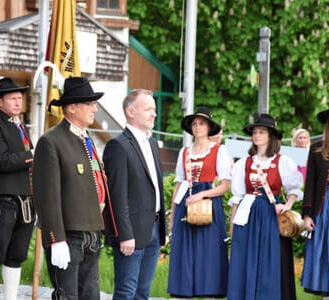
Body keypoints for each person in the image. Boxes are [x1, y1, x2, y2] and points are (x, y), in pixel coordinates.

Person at [33, 77, 117, 300]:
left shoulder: (85, 138)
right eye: (90, 104)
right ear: (71, 108)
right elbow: (46, 195)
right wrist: (55, 238)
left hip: (90, 231)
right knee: (67, 296)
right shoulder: (51, 141)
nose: (95, 109)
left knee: (90, 296)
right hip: (68, 235)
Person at [227, 113, 303, 300]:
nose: (257, 135)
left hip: (270, 215)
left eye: (261, 132)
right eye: (255, 132)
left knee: (269, 259)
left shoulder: (282, 161)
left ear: (270, 136)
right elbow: (237, 197)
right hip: (247, 215)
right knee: (244, 259)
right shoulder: (244, 163)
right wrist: (232, 227)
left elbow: (294, 188)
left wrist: (288, 205)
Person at [103, 89, 166, 300]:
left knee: (142, 292)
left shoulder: (152, 144)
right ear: (131, 112)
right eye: (148, 109)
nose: (154, 114)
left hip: (155, 229)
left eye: (154, 110)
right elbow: (117, 196)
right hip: (131, 232)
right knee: (126, 291)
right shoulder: (118, 146)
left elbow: (156, 188)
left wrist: (163, 228)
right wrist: (124, 233)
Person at [0, 77, 35, 300]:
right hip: (3, 199)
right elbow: (1, 161)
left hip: (26, 200)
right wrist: (32, 155)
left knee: (17, 255)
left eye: (20, 98)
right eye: (12, 98)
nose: (18, 102)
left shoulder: (20, 126)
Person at [167, 107, 232, 299]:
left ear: (209, 127)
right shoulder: (185, 152)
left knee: (208, 253)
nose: (197, 127)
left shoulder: (219, 151)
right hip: (185, 204)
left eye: (201, 123)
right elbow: (179, 183)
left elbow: (225, 186)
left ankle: (209, 294)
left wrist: (202, 195)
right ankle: (185, 292)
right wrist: (172, 213)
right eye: (194, 124)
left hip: (209, 206)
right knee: (185, 252)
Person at [301, 109, 329, 298]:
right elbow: (310, 182)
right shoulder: (317, 149)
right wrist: (307, 214)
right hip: (323, 207)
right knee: (324, 251)